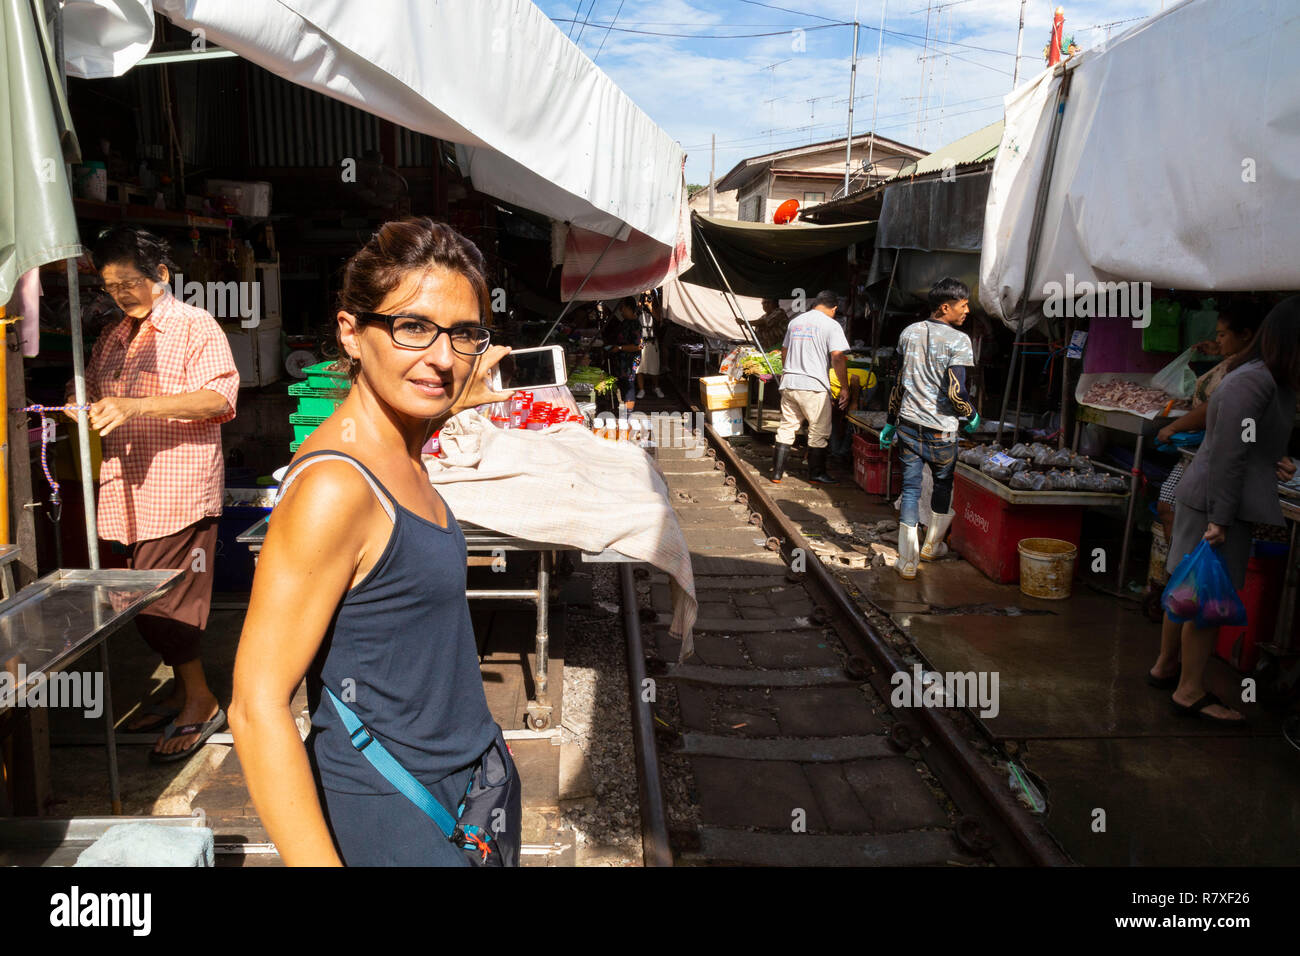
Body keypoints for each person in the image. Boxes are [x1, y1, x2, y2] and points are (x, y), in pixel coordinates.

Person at [229, 218, 520, 865]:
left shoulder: (399, 444)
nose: (443, 357)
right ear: (350, 333)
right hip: (400, 818)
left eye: (464, 333)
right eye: (413, 327)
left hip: (467, 792)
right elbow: (255, 709)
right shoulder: (337, 487)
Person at [72, 225, 239, 762]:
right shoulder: (115, 335)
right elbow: (98, 390)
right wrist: (82, 408)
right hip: (126, 491)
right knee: (136, 600)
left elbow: (218, 398)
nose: (120, 294)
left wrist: (134, 406)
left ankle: (201, 700)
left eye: (129, 283)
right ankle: (179, 688)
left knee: (166, 606)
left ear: (161, 276)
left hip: (177, 489)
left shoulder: (194, 326)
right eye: (110, 285)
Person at [1148, 296, 1300, 724]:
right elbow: (1228, 454)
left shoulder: (1256, 376)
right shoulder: (1255, 380)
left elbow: (1239, 443)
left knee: (1186, 586)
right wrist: (1220, 520)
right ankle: (1190, 691)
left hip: (1209, 497)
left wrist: (1271, 458)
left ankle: (1165, 667)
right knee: (1207, 598)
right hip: (1216, 503)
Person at [878, 278, 980, 580]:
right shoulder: (959, 341)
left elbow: (898, 382)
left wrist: (889, 421)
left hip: (908, 425)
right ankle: (932, 546)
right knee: (942, 485)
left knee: (910, 489)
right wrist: (971, 415)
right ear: (945, 307)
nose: (967, 311)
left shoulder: (909, 332)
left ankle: (907, 561)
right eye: (963, 306)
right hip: (941, 431)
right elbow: (955, 392)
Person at [1154, 311, 1263, 543]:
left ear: (1245, 335)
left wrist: (1173, 427)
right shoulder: (1238, 363)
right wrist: (1217, 350)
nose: (1218, 340)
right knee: (1169, 506)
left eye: (1223, 335)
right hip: (1199, 451)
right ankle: (1178, 571)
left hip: (1212, 454)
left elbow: (1212, 407)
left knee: (1175, 508)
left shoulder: (1247, 372)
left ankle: (1181, 571)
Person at [772, 290, 849, 485]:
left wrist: (787, 373)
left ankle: (777, 474)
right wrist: (845, 387)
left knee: (787, 427)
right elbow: (838, 357)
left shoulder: (795, 322)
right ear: (834, 308)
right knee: (818, 431)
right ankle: (816, 474)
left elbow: (784, 351)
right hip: (813, 386)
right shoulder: (831, 325)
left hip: (789, 383)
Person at [828, 365, 872, 465]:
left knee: (853, 419)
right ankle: (836, 452)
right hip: (846, 390)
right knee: (832, 419)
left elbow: (855, 379)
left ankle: (843, 452)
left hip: (865, 385)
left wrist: (854, 403)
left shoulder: (830, 377)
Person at [634, 293, 664, 399]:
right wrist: (640, 304)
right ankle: (641, 389)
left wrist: (650, 306)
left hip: (652, 341)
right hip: (641, 341)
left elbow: (659, 318)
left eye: (649, 295)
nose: (647, 297)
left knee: (654, 367)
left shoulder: (655, 306)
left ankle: (656, 387)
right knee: (639, 367)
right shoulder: (638, 307)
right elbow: (634, 317)